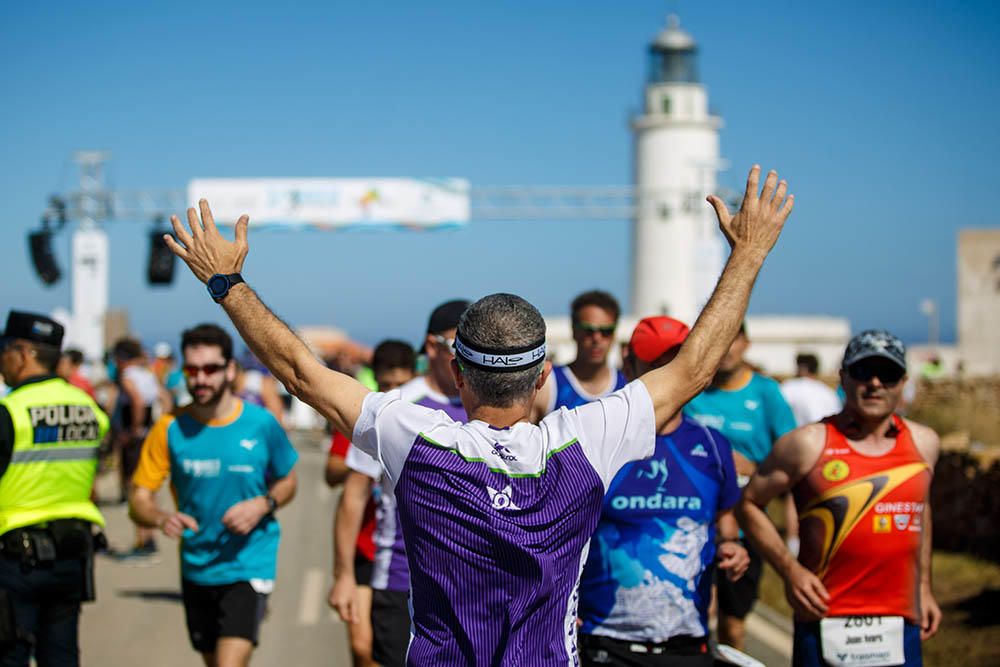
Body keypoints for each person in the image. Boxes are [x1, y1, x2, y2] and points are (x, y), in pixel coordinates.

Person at [164, 164, 792, 664]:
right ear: (545, 374)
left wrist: (227, 283)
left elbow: (303, 373)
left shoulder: (415, 437)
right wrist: (749, 253)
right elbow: (694, 370)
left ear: (457, 374)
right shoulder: (586, 440)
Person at [737, 330, 942, 666]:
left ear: (903, 382)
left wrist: (924, 587)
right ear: (843, 378)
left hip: (899, 620)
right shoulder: (807, 444)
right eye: (863, 372)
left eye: (887, 374)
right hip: (824, 618)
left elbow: (921, 511)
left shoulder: (924, 444)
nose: (875, 383)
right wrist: (790, 570)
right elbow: (749, 503)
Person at [578, 316, 750, 666]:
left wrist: (733, 547)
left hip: (687, 643)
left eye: (674, 363)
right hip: (606, 641)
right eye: (653, 364)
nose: (665, 375)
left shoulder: (712, 446)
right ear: (628, 365)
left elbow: (726, 521)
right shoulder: (595, 440)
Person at [128, 324, 299, 667]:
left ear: (230, 371)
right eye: (192, 370)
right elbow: (138, 499)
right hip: (196, 566)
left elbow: (288, 480)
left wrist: (263, 504)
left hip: (249, 562)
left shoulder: (261, 423)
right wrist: (162, 517)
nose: (201, 379)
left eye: (210, 369)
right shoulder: (169, 427)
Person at [331, 310, 468, 667]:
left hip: (470, 587)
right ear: (431, 346)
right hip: (401, 580)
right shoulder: (398, 406)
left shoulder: (488, 406)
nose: (468, 354)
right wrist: (344, 575)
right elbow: (354, 494)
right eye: (459, 344)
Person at [0, 311, 110, 666]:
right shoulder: (90, 409)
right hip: (72, 557)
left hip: (16, 561)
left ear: (23, 352)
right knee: (61, 656)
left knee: (10, 654)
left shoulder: (10, 411)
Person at [683, 322, 798, 650]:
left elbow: (793, 459)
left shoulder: (766, 393)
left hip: (746, 529)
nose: (727, 348)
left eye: (733, 340)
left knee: (733, 628)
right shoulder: (694, 392)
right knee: (698, 619)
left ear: (746, 343)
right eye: (720, 341)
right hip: (694, 526)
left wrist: (756, 469)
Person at [326, 339, 418, 667]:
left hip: (407, 555)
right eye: (385, 384)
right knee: (363, 648)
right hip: (366, 549)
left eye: (400, 384)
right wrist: (369, 464)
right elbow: (332, 472)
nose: (392, 392)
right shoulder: (365, 422)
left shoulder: (421, 421)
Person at [530, 290, 626, 421]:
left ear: (614, 334)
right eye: (588, 330)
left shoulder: (627, 386)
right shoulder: (548, 384)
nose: (597, 338)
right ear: (574, 331)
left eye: (606, 331)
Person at [112, 338, 168, 556]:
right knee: (149, 486)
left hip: (135, 438)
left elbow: (135, 400)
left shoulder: (127, 376)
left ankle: (144, 540)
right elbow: (164, 398)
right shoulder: (148, 374)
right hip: (151, 433)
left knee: (136, 487)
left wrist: (134, 429)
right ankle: (149, 538)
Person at [781, 353, 841, 427]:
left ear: (803, 368)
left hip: (798, 435)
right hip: (826, 435)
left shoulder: (789, 387)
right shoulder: (829, 392)